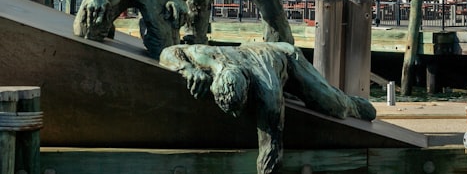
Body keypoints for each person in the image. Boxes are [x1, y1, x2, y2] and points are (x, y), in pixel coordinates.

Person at [160, 42, 376, 174]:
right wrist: (187, 69)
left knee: (332, 105)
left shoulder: (267, 90)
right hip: (247, 54)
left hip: (285, 56)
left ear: (248, 86)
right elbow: (169, 51)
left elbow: (271, 148)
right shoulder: (203, 55)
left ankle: (357, 105)